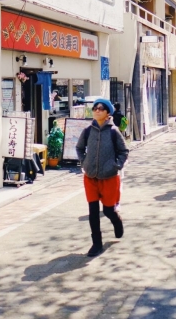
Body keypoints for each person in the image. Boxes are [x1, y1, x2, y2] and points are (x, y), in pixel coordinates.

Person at [76, 98, 129, 257]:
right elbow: (79, 148)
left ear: (107, 113)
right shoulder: (87, 130)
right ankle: (96, 243)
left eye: (101, 108)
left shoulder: (113, 131)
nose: (97, 110)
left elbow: (123, 151)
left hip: (109, 177)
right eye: (95, 108)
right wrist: (84, 162)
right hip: (90, 177)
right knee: (93, 211)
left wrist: (116, 165)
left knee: (108, 210)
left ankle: (116, 220)